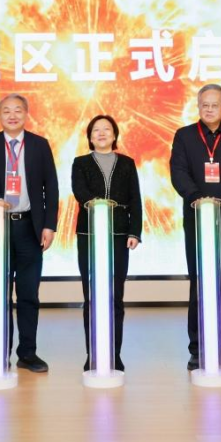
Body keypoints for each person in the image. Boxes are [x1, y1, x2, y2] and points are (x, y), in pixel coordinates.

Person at [170, 84, 221, 371]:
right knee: (200, 283)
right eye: (204, 104)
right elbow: (178, 172)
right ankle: (197, 348)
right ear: (198, 106)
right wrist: (197, 198)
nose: (209, 109)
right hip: (198, 220)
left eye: (215, 105)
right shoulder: (184, 136)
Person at [0, 94, 59, 373]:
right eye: (6, 111)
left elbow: (51, 186)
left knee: (28, 294)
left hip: (30, 227)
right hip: (0, 225)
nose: (12, 115)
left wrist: (49, 225)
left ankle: (28, 353)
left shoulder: (39, 144)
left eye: (18, 110)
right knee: (0, 294)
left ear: (26, 114)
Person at [71, 114, 143, 371]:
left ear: (114, 135)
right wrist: (98, 206)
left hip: (120, 235)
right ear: (90, 137)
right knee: (92, 296)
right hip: (89, 235)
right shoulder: (80, 163)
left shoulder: (127, 163)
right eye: (96, 130)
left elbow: (135, 198)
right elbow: (80, 192)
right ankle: (93, 353)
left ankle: (115, 353)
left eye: (106, 129)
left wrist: (134, 231)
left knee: (115, 296)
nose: (101, 133)